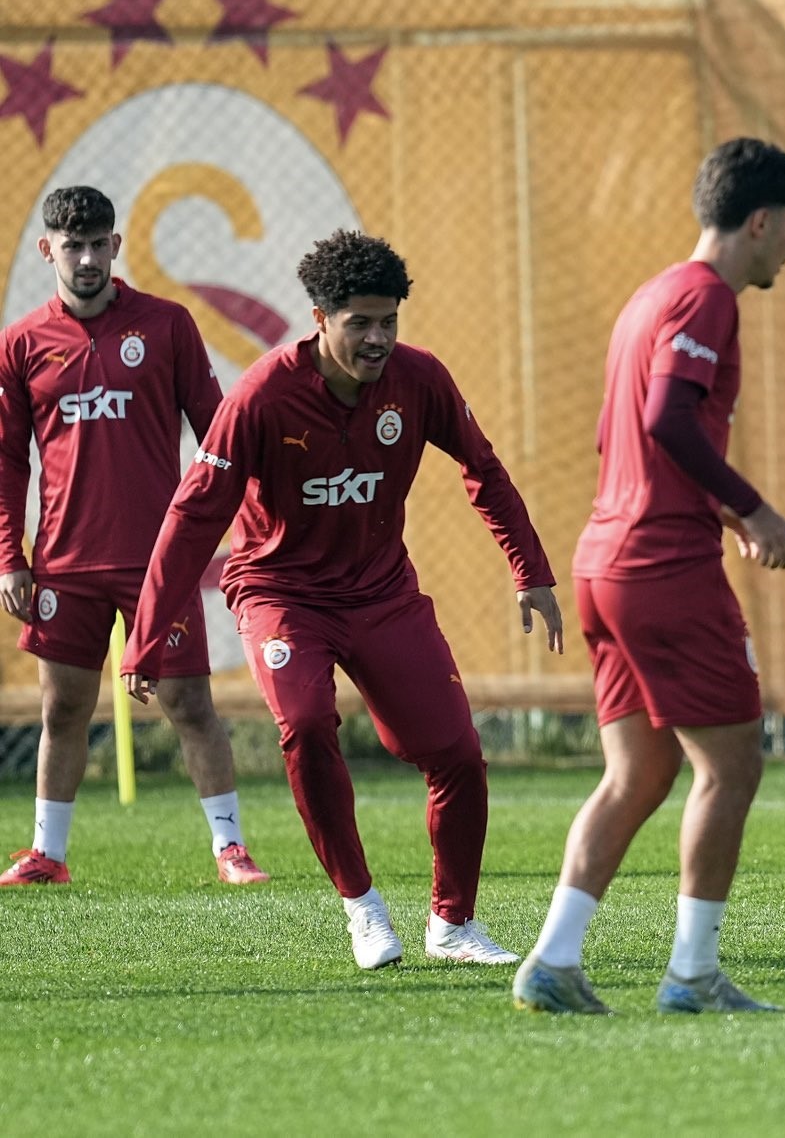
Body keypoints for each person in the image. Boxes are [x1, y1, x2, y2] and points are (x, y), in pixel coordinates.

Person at [122, 229, 564, 972]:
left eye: (389, 320)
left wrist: (531, 569)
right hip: (280, 593)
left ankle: (452, 924)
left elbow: (482, 469)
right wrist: (147, 632)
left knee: (458, 755)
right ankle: (363, 910)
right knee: (304, 723)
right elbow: (194, 515)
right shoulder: (262, 397)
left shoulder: (419, 382)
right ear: (319, 318)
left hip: (383, 594)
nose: (378, 338)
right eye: (360, 322)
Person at [513, 138, 785, 1017]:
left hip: (606, 560)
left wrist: (722, 512)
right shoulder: (705, 297)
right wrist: (751, 508)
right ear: (759, 221)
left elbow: (628, 440)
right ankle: (692, 974)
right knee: (731, 768)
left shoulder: (651, 296)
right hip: (661, 567)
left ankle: (554, 961)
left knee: (638, 776)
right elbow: (666, 418)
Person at [0, 187, 267, 888]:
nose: (86, 258)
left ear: (116, 247)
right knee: (63, 708)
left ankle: (231, 849)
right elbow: (7, 459)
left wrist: (250, 521)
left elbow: (218, 432)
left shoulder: (168, 325)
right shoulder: (23, 343)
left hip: (159, 561)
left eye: (98, 244)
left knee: (189, 706)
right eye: (72, 245)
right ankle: (48, 856)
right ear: (47, 250)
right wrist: (10, 557)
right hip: (64, 564)